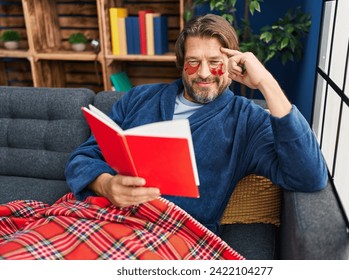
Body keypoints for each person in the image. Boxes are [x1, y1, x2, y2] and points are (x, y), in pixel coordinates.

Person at [65, 14, 328, 234]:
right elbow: (83, 156)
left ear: (232, 65)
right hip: (102, 216)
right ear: (182, 64)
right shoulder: (139, 97)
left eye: (215, 63)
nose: (203, 73)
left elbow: (309, 176)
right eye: (193, 62)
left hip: (173, 236)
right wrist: (106, 185)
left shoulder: (248, 121)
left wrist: (266, 83)